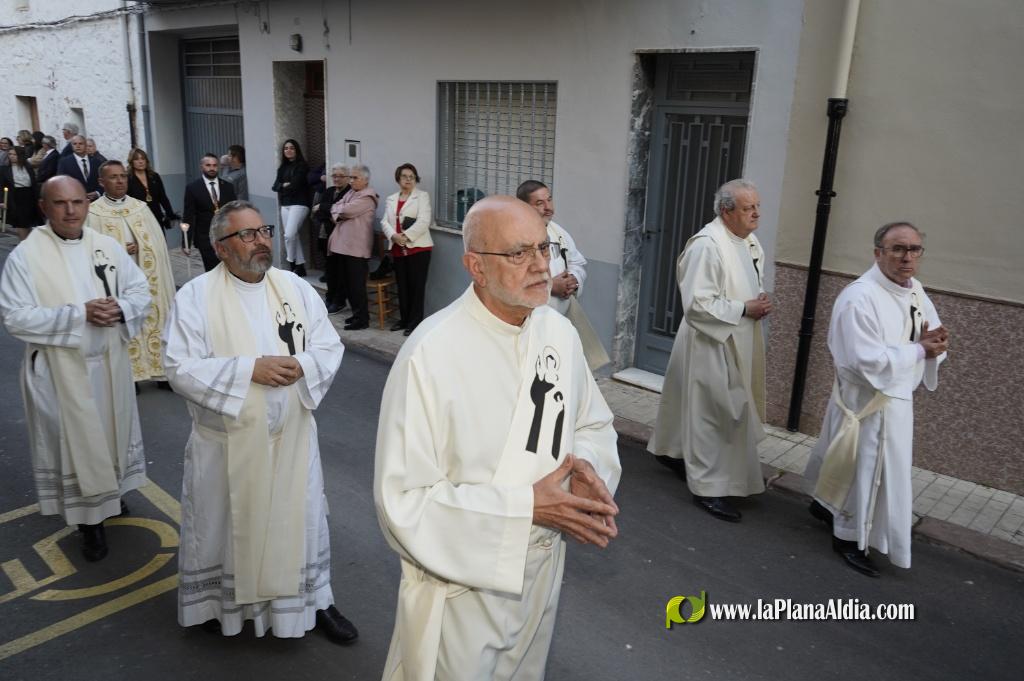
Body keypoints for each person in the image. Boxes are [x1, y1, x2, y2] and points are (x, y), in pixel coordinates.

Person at [374, 196, 621, 681]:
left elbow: (593, 424)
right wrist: (525, 508)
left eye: (544, 248)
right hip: (463, 590)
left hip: (543, 573)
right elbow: (402, 502)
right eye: (518, 253)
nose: (540, 265)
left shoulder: (559, 332)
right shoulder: (431, 354)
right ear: (476, 267)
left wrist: (585, 474)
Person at [162, 199, 358, 644]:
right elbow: (177, 366)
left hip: (293, 439)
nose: (262, 241)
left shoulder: (295, 288)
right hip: (227, 445)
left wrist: (302, 366)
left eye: (264, 231)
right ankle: (221, 607)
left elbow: (328, 346)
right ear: (221, 247)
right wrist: (248, 370)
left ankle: (315, 601)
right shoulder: (195, 297)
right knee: (226, 527)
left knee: (302, 522)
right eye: (247, 235)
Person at [0, 176, 151, 562]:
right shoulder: (26, 256)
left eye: (77, 202)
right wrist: (78, 314)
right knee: (76, 446)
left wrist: (118, 309)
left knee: (112, 436)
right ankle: (90, 526)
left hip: (109, 365)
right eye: (60, 203)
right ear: (43, 208)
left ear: (87, 204)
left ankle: (113, 496)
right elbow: (14, 318)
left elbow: (139, 291)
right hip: (59, 372)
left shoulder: (107, 246)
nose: (70, 211)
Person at [804, 222, 947, 578]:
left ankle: (826, 506)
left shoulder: (915, 291)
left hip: (896, 400)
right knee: (866, 470)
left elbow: (929, 335)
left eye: (914, 249)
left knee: (861, 466)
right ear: (878, 253)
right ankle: (849, 537)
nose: (907, 257)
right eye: (898, 249)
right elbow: (866, 360)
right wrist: (919, 350)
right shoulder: (860, 297)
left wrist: (934, 347)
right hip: (868, 401)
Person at [648, 178, 772, 523]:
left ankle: (672, 451)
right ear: (725, 211)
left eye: (757, 206)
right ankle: (709, 488)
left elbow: (750, 278)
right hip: (712, 341)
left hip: (738, 336)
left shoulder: (747, 241)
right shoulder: (707, 245)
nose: (756, 214)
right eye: (748, 209)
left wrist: (757, 300)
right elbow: (699, 304)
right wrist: (745, 309)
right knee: (715, 413)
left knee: (699, 405)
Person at [88, 160, 176, 387]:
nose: (119, 181)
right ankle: (132, 376)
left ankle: (160, 372)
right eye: (113, 177)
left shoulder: (140, 207)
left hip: (147, 278)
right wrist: (119, 249)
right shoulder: (93, 213)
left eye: (123, 176)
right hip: (118, 283)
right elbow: (92, 251)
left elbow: (157, 244)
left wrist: (144, 248)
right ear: (101, 181)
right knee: (124, 321)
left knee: (154, 317)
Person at [515, 180, 586, 316]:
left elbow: (577, 263)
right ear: (524, 207)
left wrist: (573, 280)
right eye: (540, 203)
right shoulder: (514, 237)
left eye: (549, 200)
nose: (548, 207)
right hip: (529, 323)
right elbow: (510, 280)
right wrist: (551, 286)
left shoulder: (559, 232)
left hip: (559, 320)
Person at [381, 163, 434, 336]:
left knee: (416, 287)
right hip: (397, 248)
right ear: (398, 178)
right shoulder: (391, 198)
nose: (408, 179)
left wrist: (406, 236)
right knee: (402, 286)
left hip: (418, 248)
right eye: (405, 176)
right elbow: (384, 222)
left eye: (412, 176)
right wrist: (394, 236)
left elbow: (424, 221)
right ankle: (403, 319)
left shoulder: (422, 196)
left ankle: (414, 322)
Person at [329, 165, 378, 330]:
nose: (351, 181)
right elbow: (335, 206)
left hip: (357, 248)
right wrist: (338, 212)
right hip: (344, 246)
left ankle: (362, 319)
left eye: (355, 178)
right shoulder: (351, 193)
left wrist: (339, 212)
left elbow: (347, 211)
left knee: (357, 286)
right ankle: (356, 315)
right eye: (350, 177)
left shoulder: (367, 197)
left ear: (365, 180)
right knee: (349, 284)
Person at [181, 153, 237, 272]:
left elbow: (234, 212)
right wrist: (186, 242)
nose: (212, 168)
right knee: (213, 270)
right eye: (208, 165)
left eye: (215, 165)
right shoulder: (192, 188)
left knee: (230, 268)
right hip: (205, 237)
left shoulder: (228, 187)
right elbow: (188, 216)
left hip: (227, 236)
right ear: (202, 167)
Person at [272, 139, 311, 277]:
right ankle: (300, 267)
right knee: (293, 235)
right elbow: (274, 186)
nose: (288, 150)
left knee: (289, 235)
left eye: (291, 148)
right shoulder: (282, 168)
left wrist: (284, 186)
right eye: (286, 148)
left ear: (296, 150)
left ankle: (291, 262)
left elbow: (296, 185)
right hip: (285, 205)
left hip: (300, 204)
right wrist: (284, 185)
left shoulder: (302, 166)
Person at [315, 164, 351, 313]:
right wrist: (327, 210)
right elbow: (321, 214)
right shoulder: (329, 191)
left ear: (347, 178)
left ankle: (339, 300)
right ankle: (329, 297)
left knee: (341, 270)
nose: (336, 178)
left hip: (342, 237)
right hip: (326, 235)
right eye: (334, 176)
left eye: (340, 176)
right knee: (329, 269)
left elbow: (341, 214)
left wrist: (323, 207)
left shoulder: (349, 192)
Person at [126, 147, 177, 230]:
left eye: (143, 158)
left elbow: (163, 197)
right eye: (137, 159)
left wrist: (170, 214)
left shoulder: (154, 176)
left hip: (156, 216)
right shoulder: (128, 179)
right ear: (131, 162)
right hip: (138, 219)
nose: (140, 161)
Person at [1, 146, 40, 240]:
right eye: (10, 154)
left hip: (29, 197)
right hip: (15, 197)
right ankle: (24, 244)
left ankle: (29, 243)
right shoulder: (4, 169)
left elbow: (33, 183)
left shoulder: (28, 167)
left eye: (14, 154)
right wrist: (2, 201)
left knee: (29, 224)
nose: (12, 156)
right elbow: (1, 186)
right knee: (21, 224)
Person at [57, 135, 100, 200]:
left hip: (96, 202)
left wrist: (98, 193)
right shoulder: (64, 162)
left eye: (80, 143)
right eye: (75, 144)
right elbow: (62, 183)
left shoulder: (96, 161)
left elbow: (103, 180)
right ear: (71, 146)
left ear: (86, 145)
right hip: (75, 201)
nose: (78, 146)